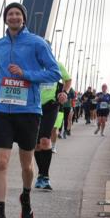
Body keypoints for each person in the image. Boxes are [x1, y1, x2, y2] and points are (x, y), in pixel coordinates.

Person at [0, 2, 61, 218]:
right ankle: (1, 216)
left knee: (27, 165)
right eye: (10, 14)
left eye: (18, 14)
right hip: (3, 110)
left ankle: (26, 196)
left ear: (24, 18)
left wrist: (26, 74)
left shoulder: (38, 43)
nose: (14, 17)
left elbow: (54, 72)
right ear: (5, 18)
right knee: (1, 162)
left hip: (28, 111)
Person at [33, 49, 70, 191]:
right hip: (34, 107)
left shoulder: (57, 64)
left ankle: (45, 177)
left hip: (51, 106)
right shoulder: (32, 65)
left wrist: (64, 92)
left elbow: (68, 79)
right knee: (35, 144)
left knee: (45, 140)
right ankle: (40, 176)